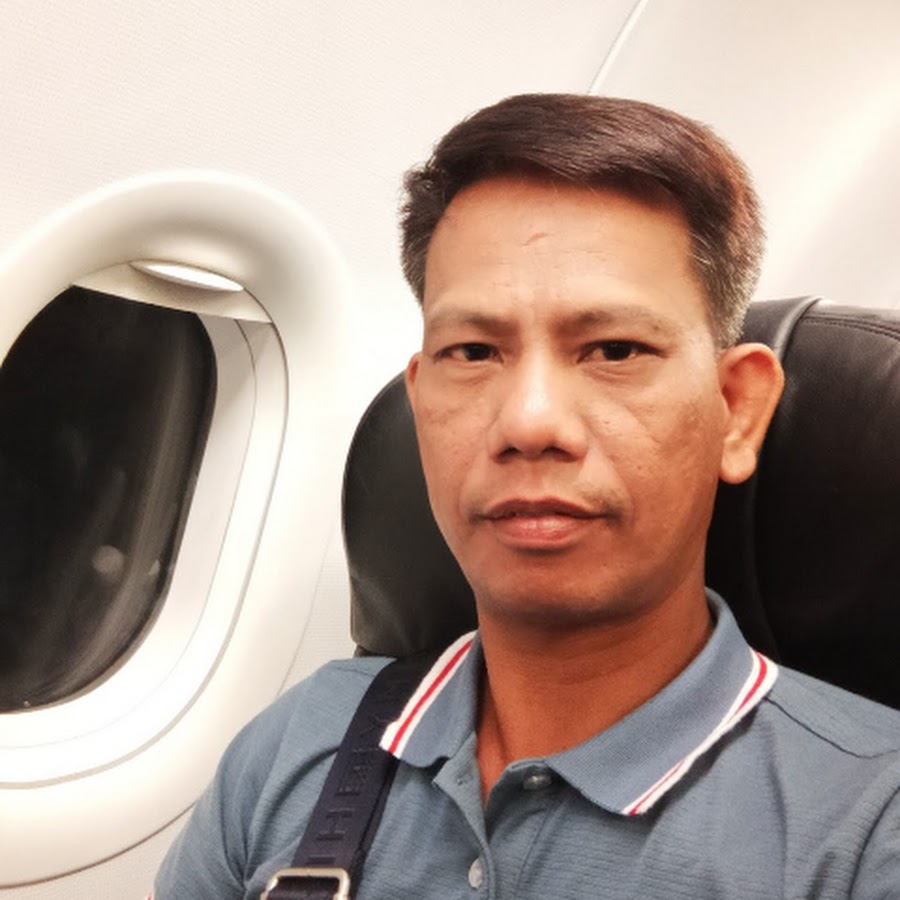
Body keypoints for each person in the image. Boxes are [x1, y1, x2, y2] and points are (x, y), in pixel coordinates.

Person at [154, 94, 900, 899]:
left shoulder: (868, 827)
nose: (529, 422)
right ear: (420, 402)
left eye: (615, 349)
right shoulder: (295, 747)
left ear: (736, 409)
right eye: (474, 352)